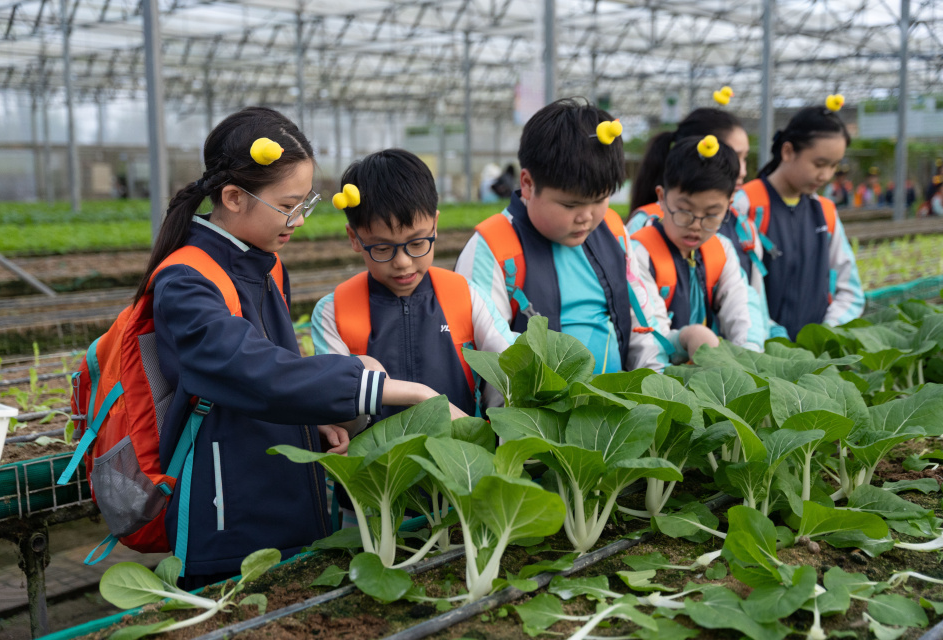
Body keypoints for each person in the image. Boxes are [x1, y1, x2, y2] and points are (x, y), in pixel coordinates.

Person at [143, 107, 458, 588]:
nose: (300, 220)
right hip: (226, 519)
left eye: (305, 203)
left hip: (292, 496)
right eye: (289, 205)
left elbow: (284, 367)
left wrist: (313, 417)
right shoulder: (185, 281)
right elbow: (255, 371)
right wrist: (403, 391)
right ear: (233, 198)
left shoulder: (267, 265)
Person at [455, 98, 697, 373]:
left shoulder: (614, 232)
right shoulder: (492, 249)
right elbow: (491, 354)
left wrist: (655, 383)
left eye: (600, 200)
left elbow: (641, 323)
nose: (587, 217)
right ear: (528, 184)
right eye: (570, 205)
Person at [311, 149, 516, 423]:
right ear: (354, 238)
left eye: (417, 243)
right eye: (382, 248)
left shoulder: (465, 296)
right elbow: (333, 404)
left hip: (463, 448)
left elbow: (511, 365)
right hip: (375, 453)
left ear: (435, 225)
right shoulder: (334, 312)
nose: (403, 262)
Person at [733, 99, 864, 341]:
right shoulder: (746, 205)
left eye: (833, 166)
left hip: (815, 353)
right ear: (788, 152)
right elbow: (734, 291)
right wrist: (770, 338)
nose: (825, 175)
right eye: (819, 164)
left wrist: (825, 332)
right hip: (757, 349)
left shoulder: (825, 211)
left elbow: (850, 290)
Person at [630, 136, 765, 355]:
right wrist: (685, 339)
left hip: (706, 368)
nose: (696, 225)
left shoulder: (722, 250)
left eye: (712, 214)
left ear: (729, 206)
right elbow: (647, 343)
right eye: (685, 211)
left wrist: (750, 356)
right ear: (661, 198)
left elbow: (743, 311)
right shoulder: (640, 254)